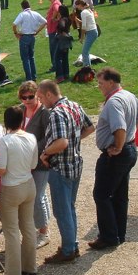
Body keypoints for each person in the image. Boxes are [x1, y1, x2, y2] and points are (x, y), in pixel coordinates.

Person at [37, 80, 94, 264]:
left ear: (48, 95)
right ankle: (72, 244)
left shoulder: (56, 113)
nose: (40, 101)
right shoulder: (74, 105)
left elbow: (61, 142)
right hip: (76, 164)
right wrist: (75, 139)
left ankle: (68, 249)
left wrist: (45, 153)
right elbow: (90, 127)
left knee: (62, 211)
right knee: (69, 207)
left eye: (40, 97)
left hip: (61, 167)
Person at [89, 68, 138, 250]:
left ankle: (108, 236)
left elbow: (119, 127)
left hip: (117, 154)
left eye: (101, 83)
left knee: (102, 195)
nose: (99, 87)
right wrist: (131, 135)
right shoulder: (128, 95)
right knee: (120, 195)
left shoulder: (114, 102)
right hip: (130, 150)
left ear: (111, 82)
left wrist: (118, 146)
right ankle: (119, 234)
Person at [0, 105, 38, 275]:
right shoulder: (31, 137)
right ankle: (30, 266)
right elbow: (33, 165)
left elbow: (1, 169)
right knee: (28, 226)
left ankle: (12, 274)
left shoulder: (6, 141)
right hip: (28, 184)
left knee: (11, 231)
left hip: (11, 188)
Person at [19, 81, 52, 249]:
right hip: (26, 161)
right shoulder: (21, 109)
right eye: (23, 97)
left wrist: (32, 149)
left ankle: (43, 232)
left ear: (37, 95)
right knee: (40, 195)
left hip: (40, 161)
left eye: (30, 97)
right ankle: (42, 227)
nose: (26, 100)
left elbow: (48, 137)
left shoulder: (44, 113)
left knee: (36, 196)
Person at [12, 0, 47, 82]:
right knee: (31, 57)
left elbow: (14, 24)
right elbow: (45, 22)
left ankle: (29, 78)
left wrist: (15, 33)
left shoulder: (22, 14)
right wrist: (37, 32)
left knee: (25, 58)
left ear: (22, 7)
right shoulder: (36, 13)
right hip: (32, 37)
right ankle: (34, 76)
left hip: (24, 37)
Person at [76, 0, 98, 67]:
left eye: (77, 6)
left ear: (80, 5)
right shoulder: (88, 10)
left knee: (84, 52)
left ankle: (87, 69)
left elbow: (84, 27)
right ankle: (87, 67)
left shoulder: (83, 12)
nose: (77, 7)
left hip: (91, 32)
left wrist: (81, 38)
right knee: (85, 51)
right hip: (93, 31)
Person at [54, 5, 73, 84]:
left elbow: (62, 26)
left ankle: (60, 76)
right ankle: (66, 74)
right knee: (65, 57)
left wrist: (61, 31)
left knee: (57, 57)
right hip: (67, 39)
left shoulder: (63, 19)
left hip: (62, 39)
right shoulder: (68, 18)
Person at [46, 0, 61, 73]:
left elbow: (56, 10)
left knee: (53, 48)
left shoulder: (55, 3)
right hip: (52, 29)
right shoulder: (56, 2)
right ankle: (55, 64)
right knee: (54, 48)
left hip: (53, 29)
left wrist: (53, 18)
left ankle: (55, 65)